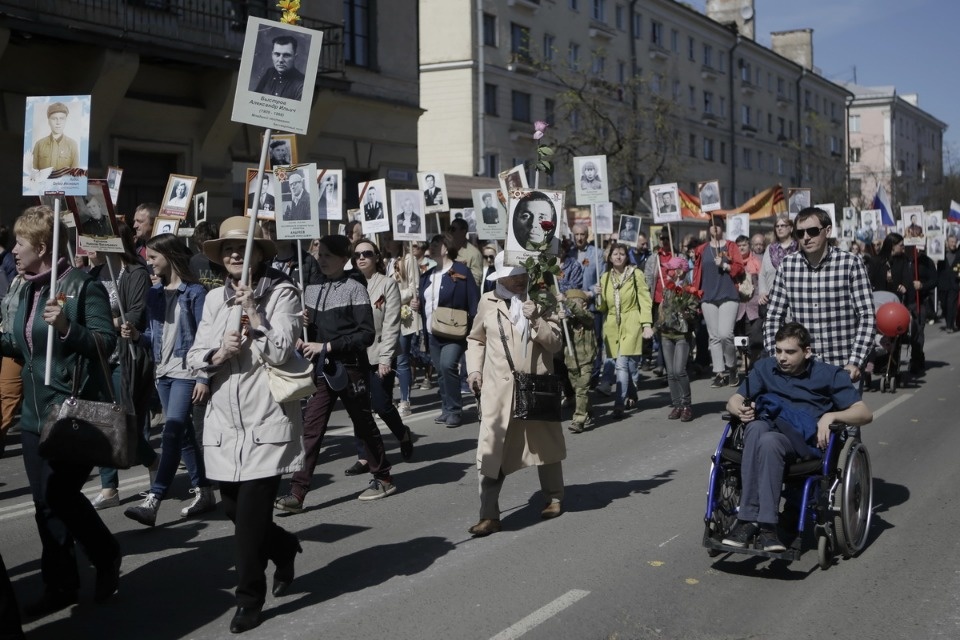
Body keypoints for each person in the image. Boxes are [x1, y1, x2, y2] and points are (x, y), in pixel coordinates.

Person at [186, 216, 304, 633]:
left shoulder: (282, 292)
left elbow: (283, 351)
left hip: (265, 420)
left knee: (250, 519)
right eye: (228, 249)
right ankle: (285, 545)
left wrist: (255, 313)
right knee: (235, 512)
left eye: (243, 247)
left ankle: (249, 600)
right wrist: (218, 353)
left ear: (258, 254)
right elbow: (194, 355)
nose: (235, 254)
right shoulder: (213, 300)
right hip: (222, 423)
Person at [1, 205, 121, 615]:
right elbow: (20, 346)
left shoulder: (82, 285)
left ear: (41, 245)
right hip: (35, 417)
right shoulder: (29, 288)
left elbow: (108, 344)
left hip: (72, 413)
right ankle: (62, 584)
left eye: (20, 242)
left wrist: (69, 329)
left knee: (60, 496)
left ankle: (105, 554)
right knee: (44, 504)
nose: (13, 249)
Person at [274, 235, 398, 512]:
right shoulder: (312, 287)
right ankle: (297, 492)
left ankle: (383, 477)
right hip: (321, 370)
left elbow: (366, 335)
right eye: (320, 254)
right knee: (311, 429)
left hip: (351, 369)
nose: (322, 259)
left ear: (345, 259)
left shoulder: (355, 288)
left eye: (329, 255)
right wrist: (305, 328)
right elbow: (313, 334)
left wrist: (327, 345)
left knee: (363, 424)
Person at [722, 323, 872, 551]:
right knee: (755, 429)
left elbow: (864, 413)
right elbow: (734, 400)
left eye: (790, 352)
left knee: (768, 440)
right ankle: (750, 519)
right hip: (764, 436)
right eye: (779, 350)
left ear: (807, 352)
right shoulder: (765, 368)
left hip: (801, 443)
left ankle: (765, 526)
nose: (782, 357)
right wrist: (740, 409)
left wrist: (830, 416)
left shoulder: (829, 375)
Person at [465, 252, 565, 536]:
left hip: (535, 385)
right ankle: (489, 515)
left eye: (523, 274)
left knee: (544, 444)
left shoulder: (541, 300)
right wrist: (474, 371)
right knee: (491, 450)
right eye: (513, 275)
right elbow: (476, 339)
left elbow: (555, 344)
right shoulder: (488, 301)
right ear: (500, 277)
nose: (520, 280)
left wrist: (537, 320)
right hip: (498, 391)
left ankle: (554, 497)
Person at [121, 234, 216, 527]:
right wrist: (137, 336)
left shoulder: (195, 292)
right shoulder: (154, 294)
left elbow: (205, 336)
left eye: (153, 257)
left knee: (172, 430)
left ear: (169, 256)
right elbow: (155, 338)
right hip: (162, 372)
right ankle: (204, 491)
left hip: (187, 372)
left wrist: (203, 377)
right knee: (184, 434)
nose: (148, 263)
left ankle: (154, 498)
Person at [88, 224, 158, 511]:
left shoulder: (134, 272)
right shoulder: (93, 274)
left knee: (123, 425)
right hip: (98, 358)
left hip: (125, 357)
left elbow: (137, 315)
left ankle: (154, 461)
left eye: (96, 237)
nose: (89, 243)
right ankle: (108, 487)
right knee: (102, 423)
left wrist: (107, 324)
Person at [764, 207, 875, 382]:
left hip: (842, 368)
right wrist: (776, 356)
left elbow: (867, 316)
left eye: (813, 231)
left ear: (828, 230)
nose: (806, 237)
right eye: (800, 233)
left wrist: (855, 362)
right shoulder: (787, 266)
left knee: (846, 411)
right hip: (802, 369)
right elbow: (773, 317)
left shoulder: (850, 263)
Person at [342, 240, 414, 475]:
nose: (362, 257)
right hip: (354, 354)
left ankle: (402, 434)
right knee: (358, 407)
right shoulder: (347, 284)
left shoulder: (387, 284)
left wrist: (385, 358)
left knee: (381, 405)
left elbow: (392, 323)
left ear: (376, 257)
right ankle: (364, 456)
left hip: (379, 353)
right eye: (357, 254)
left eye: (367, 253)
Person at [413, 233, 479, 427]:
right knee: (440, 371)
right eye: (430, 244)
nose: (431, 247)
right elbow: (426, 303)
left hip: (454, 330)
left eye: (436, 244)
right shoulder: (427, 275)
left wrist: (476, 330)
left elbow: (473, 301)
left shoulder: (461, 271)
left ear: (445, 247)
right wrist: (417, 304)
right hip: (432, 330)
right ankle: (446, 408)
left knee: (448, 365)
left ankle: (455, 410)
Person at [595, 242, 654, 418]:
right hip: (612, 324)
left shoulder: (636, 274)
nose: (618, 257)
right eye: (615, 254)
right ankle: (632, 393)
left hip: (631, 320)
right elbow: (603, 308)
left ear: (627, 257)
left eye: (622, 254)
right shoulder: (605, 277)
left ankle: (618, 403)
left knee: (622, 363)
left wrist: (646, 324)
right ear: (610, 257)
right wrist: (598, 296)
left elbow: (644, 299)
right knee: (626, 365)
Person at [692, 218, 745, 388]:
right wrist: (695, 291)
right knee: (713, 337)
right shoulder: (702, 249)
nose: (715, 229)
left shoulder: (730, 246)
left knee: (725, 334)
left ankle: (732, 367)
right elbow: (697, 272)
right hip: (708, 296)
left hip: (728, 294)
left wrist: (725, 265)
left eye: (718, 225)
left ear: (722, 228)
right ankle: (719, 372)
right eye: (712, 226)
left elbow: (740, 267)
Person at [655, 256, 699, 422]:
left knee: (679, 370)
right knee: (671, 373)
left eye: (670, 269)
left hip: (681, 335)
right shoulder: (668, 288)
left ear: (680, 271)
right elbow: (663, 310)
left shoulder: (690, 289)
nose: (667, 272)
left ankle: (687, 405)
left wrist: (686, 311)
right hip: (667, 334)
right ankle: (677, 405)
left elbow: (693, 313)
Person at [561, 288, 597, 432]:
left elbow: (580, 314)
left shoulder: (588, 317)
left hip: (586, 360)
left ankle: (579, 420)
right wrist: (558, 318)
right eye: (570, 302)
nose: (571, 305)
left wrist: (565, 301)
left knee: (582, 389)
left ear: (584, 305)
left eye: (575, 302)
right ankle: (588, 410)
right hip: (571, 361)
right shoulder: (567, 321)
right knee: (579, 391)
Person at [758, 214, 797, 306]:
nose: (779, 228)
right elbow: (762, 274)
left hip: (793, 300)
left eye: (783, 225)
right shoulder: (770, 249)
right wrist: (763, 291)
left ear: (791, 228)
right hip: (772, 300)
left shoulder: (798, 248)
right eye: (777, 226)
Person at [253, 35, 306, 100]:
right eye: (277, 54)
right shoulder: (270, 73)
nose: (280, 60)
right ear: (272, 55)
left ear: (295, 57)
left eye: (286, 55)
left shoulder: (302, 84)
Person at [32, 102, 79, 172]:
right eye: (54, 119)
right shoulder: (39, 144)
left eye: (62, 118)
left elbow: (75, 177)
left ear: (66, 120)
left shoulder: (73, 145)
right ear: (48, 121)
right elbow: (33, 174)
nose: (58, 122)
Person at [450, 218, 483, 286]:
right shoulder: (446, 250)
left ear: (463, 231)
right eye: (449, 228)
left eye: (453, 229)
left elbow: (476, 280)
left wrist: (458, 275)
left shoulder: (474, 253)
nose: (450, 231)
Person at [938, 234, 960, 333]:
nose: (953, 244)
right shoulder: (940, 254)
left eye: (955, 242)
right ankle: (948, 322)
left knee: (951, 304)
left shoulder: (959, 254)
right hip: (943, 283)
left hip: (954, 283)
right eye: (951, 242)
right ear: (947, 242)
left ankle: (950, 326)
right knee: (944, 305)